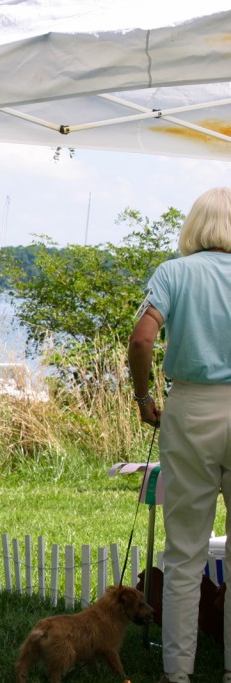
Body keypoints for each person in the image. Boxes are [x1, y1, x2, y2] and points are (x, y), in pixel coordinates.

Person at [128, 187, 231, 683]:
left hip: (191, 407)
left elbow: (143, 337)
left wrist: (145, 398)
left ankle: (178, 674)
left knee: (185, 550)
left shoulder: (174, 272)